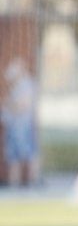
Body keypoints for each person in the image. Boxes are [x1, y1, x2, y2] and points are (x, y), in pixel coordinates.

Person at [1, 58, 39, 187]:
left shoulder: (27, 85)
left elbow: (21, 105)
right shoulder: (15, 86)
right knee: (13, 157)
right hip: (13, 127)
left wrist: (7, 104)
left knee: (29, 155)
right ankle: (13, 185)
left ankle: (33, 183)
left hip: (23, 127)